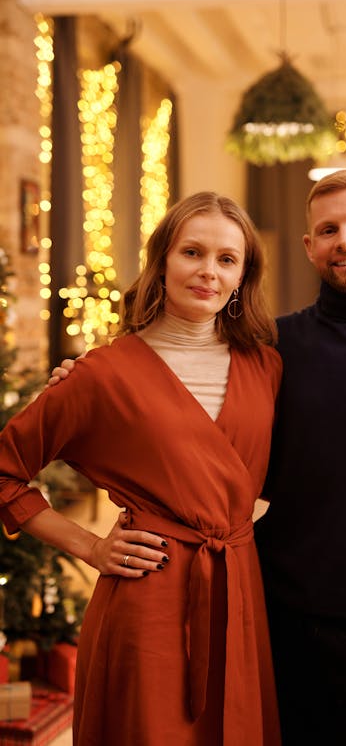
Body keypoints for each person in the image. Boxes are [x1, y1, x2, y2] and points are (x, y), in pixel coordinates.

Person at [49, 171, 346, 746]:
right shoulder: (271, 350)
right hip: (267, 617)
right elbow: (186, 419)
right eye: (328, 229)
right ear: (310, 246)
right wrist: (82, 387)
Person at [0, 192, 282, 746]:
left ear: (243, 276)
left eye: (227, 259)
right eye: (192, 253)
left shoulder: (266, 365)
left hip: (239, 586)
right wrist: (89, 546)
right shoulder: (102, 373)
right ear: (162, 262)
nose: (208, 271)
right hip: (149, 592)